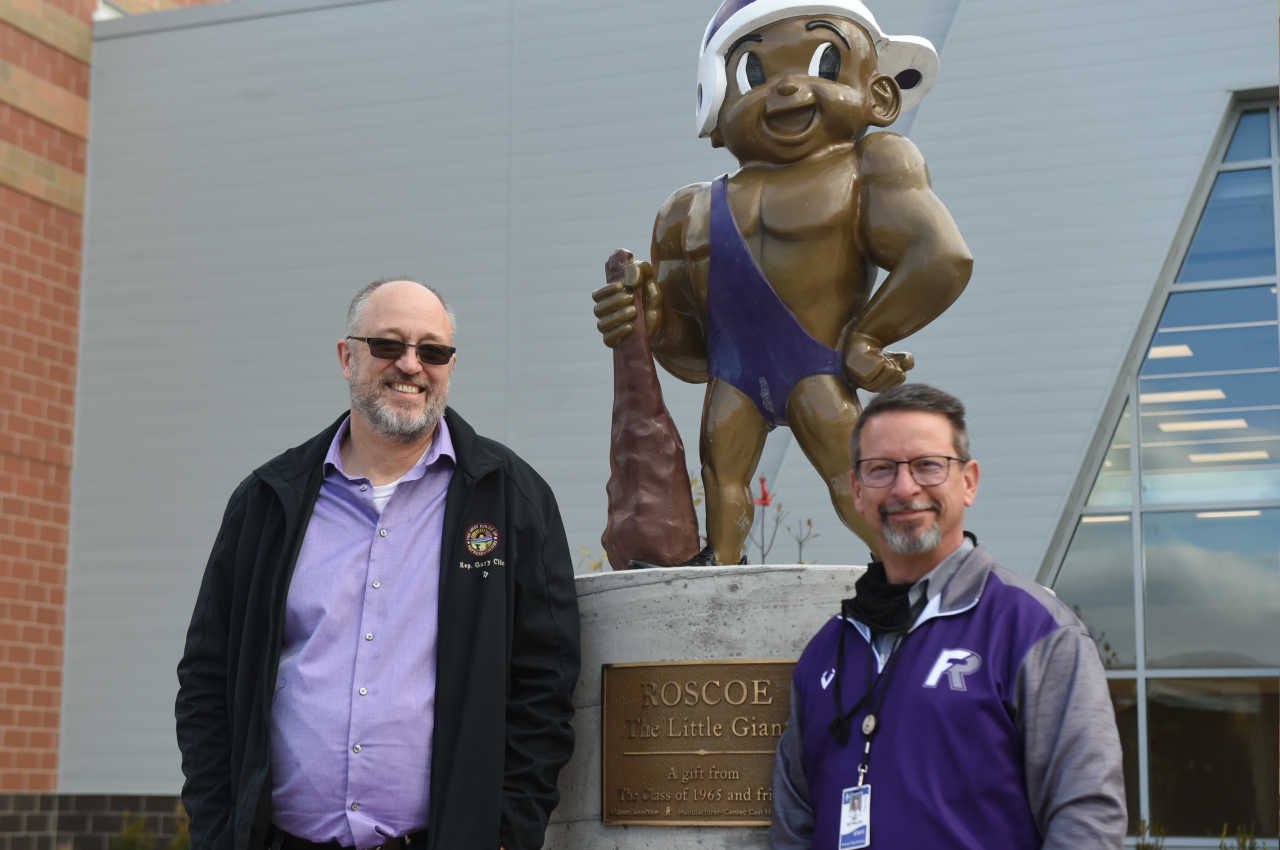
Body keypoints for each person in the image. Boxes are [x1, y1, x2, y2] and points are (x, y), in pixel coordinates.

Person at [175, 278, 581, 850]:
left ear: (450, 365)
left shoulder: (512, 499)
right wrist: (219, 833)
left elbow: (546, 683)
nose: (411, 365)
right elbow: (207, 679)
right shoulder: (268, 500)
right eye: (389, 345)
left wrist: (507, 834)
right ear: (347, 356)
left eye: (432, 350)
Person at [591, 0, 972, 565]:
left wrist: (867, 336)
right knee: (722, 477)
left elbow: (941, 257)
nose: (789, 90)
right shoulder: (685, 213)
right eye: (756, 73)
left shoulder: (872, 165)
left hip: (816, 362)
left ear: (880, 96)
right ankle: (720, 573)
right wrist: (650, 320)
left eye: (824, 64)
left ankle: (907, 578)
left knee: (852, 480)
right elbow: (690, 352)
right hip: (734, 375)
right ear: (715, 114)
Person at [772, 384, 1126, 849]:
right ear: (857, 491)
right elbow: (794, 825)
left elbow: (1086, 817)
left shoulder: (1035, 631)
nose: (905, 487)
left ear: (969, 481)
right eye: (881, 470)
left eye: (927, 465)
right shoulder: (825, 652)